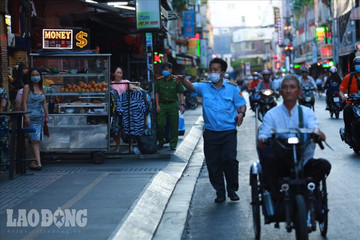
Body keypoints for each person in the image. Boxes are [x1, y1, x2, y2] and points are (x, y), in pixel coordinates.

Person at [177, 57, 247, 203]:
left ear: (222, 73)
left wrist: (241, 114)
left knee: (229, 160)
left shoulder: (232, 88)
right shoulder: (204, 86)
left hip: (228, 131)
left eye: (215, 70)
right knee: (213, 163)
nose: (212, 73)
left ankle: (232, 190)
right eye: (211, 70)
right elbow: (191, 87)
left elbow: (241, 104)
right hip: (210, 132)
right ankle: (219, 192)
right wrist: (183, 79)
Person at [257, 74, 331, 201]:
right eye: (285, 87)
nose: (288, 90)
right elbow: (264, 134)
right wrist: (263, 140)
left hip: (303, 162)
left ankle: (309, 192)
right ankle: (276, 200)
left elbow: (314, 127)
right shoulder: (271, 115)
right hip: (281, 163)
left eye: (292, 87)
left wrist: (317, 134)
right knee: (268, 162)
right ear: (280, 92)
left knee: (324, 165)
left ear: (299, 92)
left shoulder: (307, 113)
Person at [22, 68, 49, 171]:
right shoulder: (27, 87)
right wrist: (26, 116)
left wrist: (46, 114)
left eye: (37, 74)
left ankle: (33, 162)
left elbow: (44, 102)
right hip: (31, 117)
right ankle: (38, 163)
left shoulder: (42, 88)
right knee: (35, 140)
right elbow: (24, 102)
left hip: (40, 117)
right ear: (30, 77)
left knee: (37, 139)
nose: (35, 76)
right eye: (33, 75)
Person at [155, 62, 185, 150]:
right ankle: (161, 141)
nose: (166, 71)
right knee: (160, 124)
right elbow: (157, 93)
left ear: (171, 70)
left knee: (174, 125)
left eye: (167, 69)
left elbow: (181, 93)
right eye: (164, 69)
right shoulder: (159, 80)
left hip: (173, 105)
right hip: (162, 105)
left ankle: (173, 144)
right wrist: (157, 105)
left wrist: (182, 105)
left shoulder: (176, 80)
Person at [339, 57, 360, 143]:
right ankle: (347, 133)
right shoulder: (348, 77)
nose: (359, 66)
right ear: (354, 66)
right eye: (357, 65)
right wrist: (343, 96)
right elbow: (341, 91)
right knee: (347, 110)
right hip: (352, 102)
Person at [110, 66, 130, 152]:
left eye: (120, 73)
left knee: (128, 127)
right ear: (114, 74)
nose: (119, 74)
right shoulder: (111, 84)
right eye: (117, 72)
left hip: (126, 108)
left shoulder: (126, 82)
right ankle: (118, 147)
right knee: (117, 128)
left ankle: (131, 146)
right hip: (116, 109)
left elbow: (133, 88)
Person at [0, 78, 9, 174]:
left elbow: (3, 106)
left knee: (2, 144)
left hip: (1, 122)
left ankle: (3, 166)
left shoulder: (2, 90)